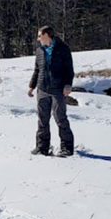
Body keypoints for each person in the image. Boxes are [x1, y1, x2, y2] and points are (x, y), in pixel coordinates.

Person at [27, 25, 75, 156]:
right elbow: (37, 70)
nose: (38, 39)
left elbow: (69, 70)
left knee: (60, 118)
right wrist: (32, 86)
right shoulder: (39, 51)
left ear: (47, 35)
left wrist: (68, 85)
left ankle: (67, 148)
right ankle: (42, 147)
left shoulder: (63, 49)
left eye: (40, 36)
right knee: (42, 119)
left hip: (58, 89)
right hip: (42, 89)